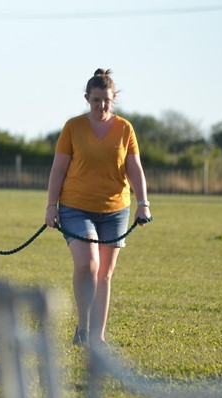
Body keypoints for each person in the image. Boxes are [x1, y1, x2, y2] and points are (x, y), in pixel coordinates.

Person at [45, 69, 151, 348]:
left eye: (106, 100)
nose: (101, 106)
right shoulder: (73, 128)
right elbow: (58, 169)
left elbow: (134, 168)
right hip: (75, 207)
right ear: (86, 99)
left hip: (116, 209)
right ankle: (83, 326)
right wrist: (50, 206)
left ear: (113, 98)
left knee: (104, 272)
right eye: (95, 100)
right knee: (87, 263)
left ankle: (97, 336)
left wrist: (143, 203)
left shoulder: (125, 128)